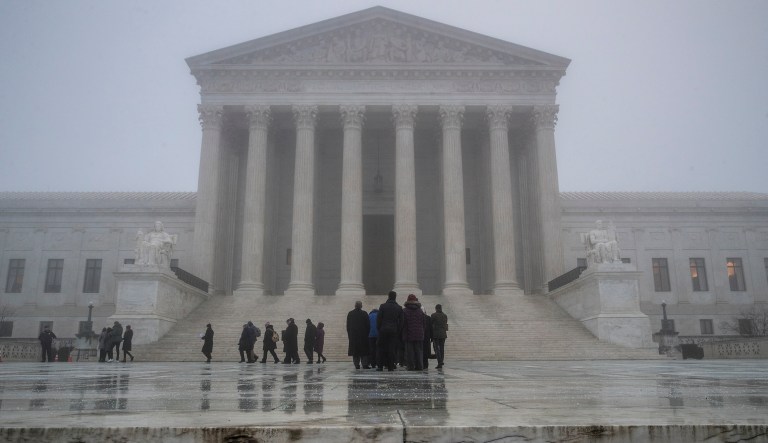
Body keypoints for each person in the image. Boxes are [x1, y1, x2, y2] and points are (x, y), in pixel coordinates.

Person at [376, 291, 403, 372]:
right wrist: (398, 331)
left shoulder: (383, 306)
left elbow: (379, 319)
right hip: (394, 330)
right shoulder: (399, 307)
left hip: (383, 330)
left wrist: (379, 329)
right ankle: (391, 367)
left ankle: (380, 366)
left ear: (388, 296)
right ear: (395, 297)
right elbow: (402, 321)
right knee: (392, 349)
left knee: (381, 348)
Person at [402, 294, 425, 370]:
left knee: (410, 352)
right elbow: (423, 323)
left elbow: (403, 323)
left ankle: (410, 366)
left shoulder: (404, 311)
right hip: (419, 334)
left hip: (408, 334)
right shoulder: (420, 311)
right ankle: (419, 366)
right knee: (419, 351)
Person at [346, 301, 370, 369]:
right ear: (361, 306)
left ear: (355, 305)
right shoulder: (364, 313)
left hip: (354, 336)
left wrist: (349, 335)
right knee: (364, 351)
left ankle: (356, 364)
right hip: (363, 335)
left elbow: (348, 326)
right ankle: (364, 364)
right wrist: (367, 334)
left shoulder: (350, 313)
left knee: (355, 352)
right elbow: (368, 325)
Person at [431, 304, 448, 369]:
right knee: (442, 348)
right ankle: (441, 360)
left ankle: (439, 362)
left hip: (436, 334)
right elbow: (445, 323)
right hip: (443, 334)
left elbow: (431, 324)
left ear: (436, 308)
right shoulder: (445, 315)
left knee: (436, 349)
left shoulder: (433, 315)